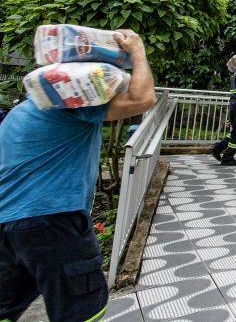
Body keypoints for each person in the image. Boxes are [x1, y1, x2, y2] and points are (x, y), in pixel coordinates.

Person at [0, 29, 156, 322]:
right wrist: (137, 50)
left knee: (6, 307)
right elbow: (143, 98)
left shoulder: (20, 113)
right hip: (53, 220)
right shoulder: (71, 105)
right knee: (84, 310)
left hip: (7, 224)